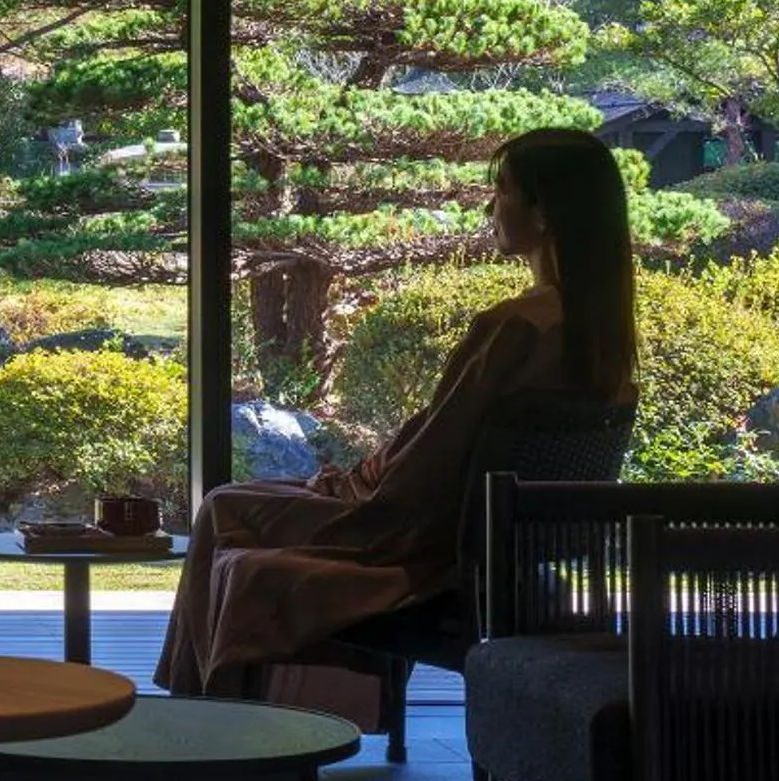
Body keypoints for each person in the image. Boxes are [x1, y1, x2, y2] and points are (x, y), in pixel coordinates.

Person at [156, 127, 640, 702]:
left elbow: (432, 460)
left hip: (425, 546)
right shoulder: (601, 332)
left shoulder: (518, 325)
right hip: (494, 543)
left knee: (221, 507)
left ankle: (205, 717)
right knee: (237, 506)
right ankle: (239, 717)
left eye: (503, 190)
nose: (491, 205)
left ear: (544, 212)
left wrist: (350, 490)